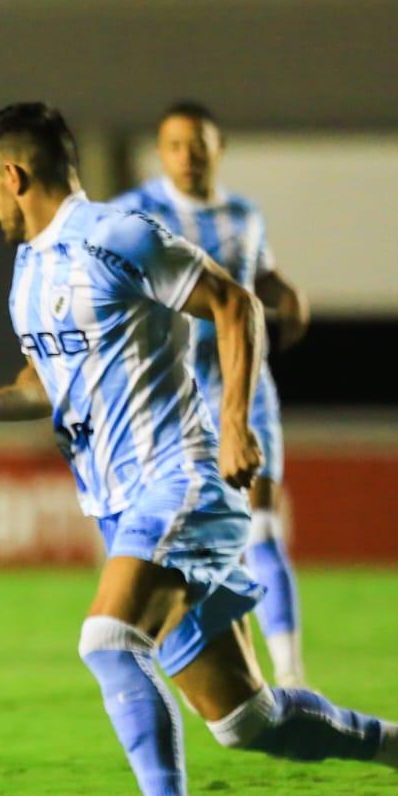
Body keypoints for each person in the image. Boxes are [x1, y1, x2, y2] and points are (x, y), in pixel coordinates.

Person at [0, 102, 398, 796]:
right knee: (248, 721)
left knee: (106, 637)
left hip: (184, 477)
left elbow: (234, 303)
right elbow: (42, 382)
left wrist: (235, 422)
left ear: (15, 176)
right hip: (124, 506)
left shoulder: (118, 235)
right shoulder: (29, 269)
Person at [112, 102, 311, 686]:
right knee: (178, 537)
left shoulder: (244, 217)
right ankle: (183, 661)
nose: (189, 155)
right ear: (161, 151)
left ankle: (294, 676)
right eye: (176, 144)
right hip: (169, 401)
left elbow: (258, 278)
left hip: (244, 393)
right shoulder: (133, 213)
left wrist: (287, 293)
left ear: (218, 149)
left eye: (199, 144)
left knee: (264, 526)